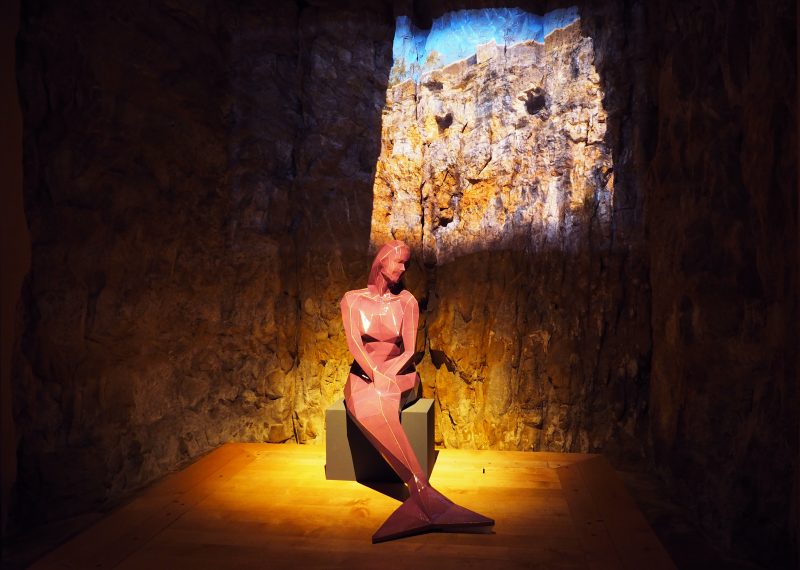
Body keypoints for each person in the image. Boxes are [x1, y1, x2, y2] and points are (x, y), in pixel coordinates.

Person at [340, 240, 494, 543]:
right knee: (371, 405)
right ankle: (423, 492)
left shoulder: (406, 302)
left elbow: (409, 350)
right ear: (382, 261)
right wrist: (375, 374)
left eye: (407, 264)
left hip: (401, 373)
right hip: (364, 375)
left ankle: (420, 492)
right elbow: (355, 344)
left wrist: (388, 374)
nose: (403, 269)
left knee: (383, 401)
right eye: (399, 262)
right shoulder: (352, 300)